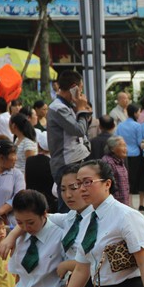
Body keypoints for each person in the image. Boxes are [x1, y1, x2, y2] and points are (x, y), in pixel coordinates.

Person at [47, 70, 92, 212]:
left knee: (79, 203)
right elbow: (79, 130)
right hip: (66, 163)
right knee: (68, 205)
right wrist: (81, 109)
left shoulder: (67, 105)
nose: (82, 93)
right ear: (74, 88)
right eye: (81, 89)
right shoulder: (58, 108)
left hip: (73, 160)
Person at [116, 103, 144, 211]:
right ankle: (139, 203)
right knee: (135, 179)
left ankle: (128, 202)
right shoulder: (137, 126)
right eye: (139, 112)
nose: (140, 114)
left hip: (123, 154)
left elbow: (116, 138)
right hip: (135, 155)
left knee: (125, 178)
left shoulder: (120, 125)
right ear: (135, 113)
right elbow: (140, 141)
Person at [0, 139, 25, 226]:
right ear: (1, 157)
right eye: (13, 154)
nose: (16, 158)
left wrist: (0, 212)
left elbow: (19, 197)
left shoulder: (17, 174)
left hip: (8, 221)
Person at [100, 136, 131, 206]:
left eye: (125, 145)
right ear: (112, 149)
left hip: (123, 203)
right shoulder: (108, 162)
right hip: (113, 204)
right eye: (122, 146)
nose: (125, 149)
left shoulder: (120, 161)